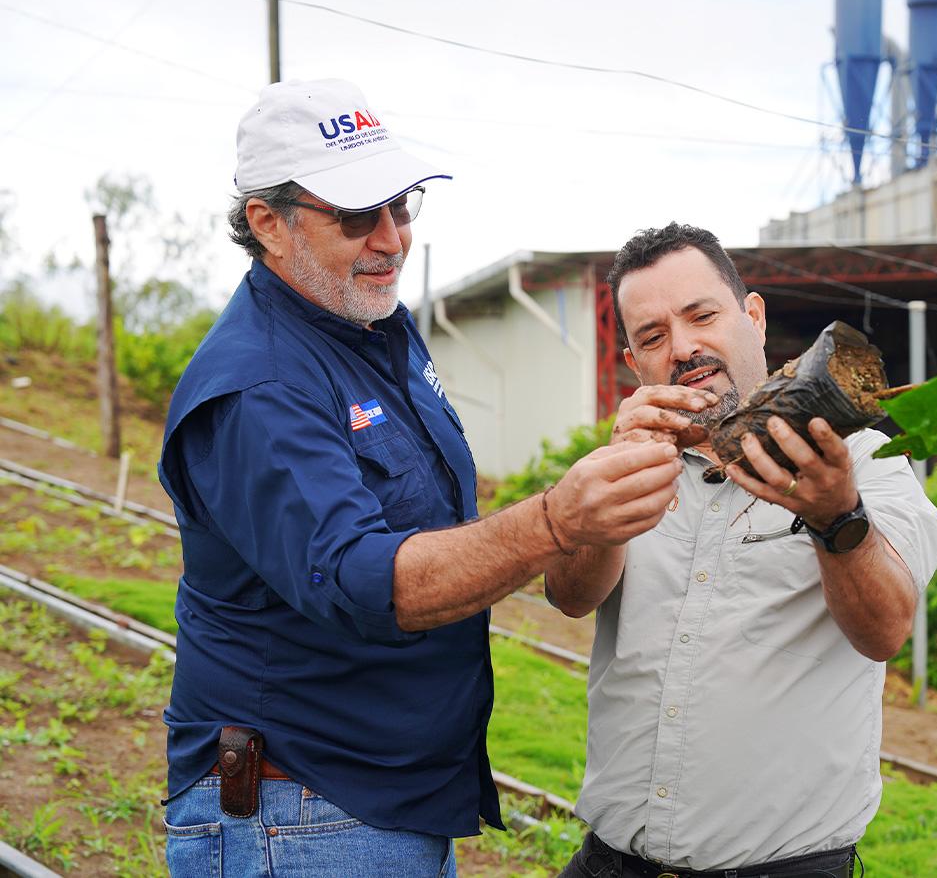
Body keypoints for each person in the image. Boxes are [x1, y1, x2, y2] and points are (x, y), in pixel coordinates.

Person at [157, 78, 689, 878]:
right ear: (268, 223)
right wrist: (552, 523)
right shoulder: (261, 386)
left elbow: (429, 516)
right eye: (356, 215)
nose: (391, 238)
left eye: (401, 206)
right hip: (301, 810)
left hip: (374, 799)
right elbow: (365, 581)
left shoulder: (374, 329)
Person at [551, 223, 937, 878]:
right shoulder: (620, 466)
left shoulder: (862, 463)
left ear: (753, 317)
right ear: (635, 362)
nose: (683, 348)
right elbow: (569, 597)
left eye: (701, 315)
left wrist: (835, 516)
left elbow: (885, 630)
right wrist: (613, 479)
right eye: (653, 336)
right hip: (611, 864)